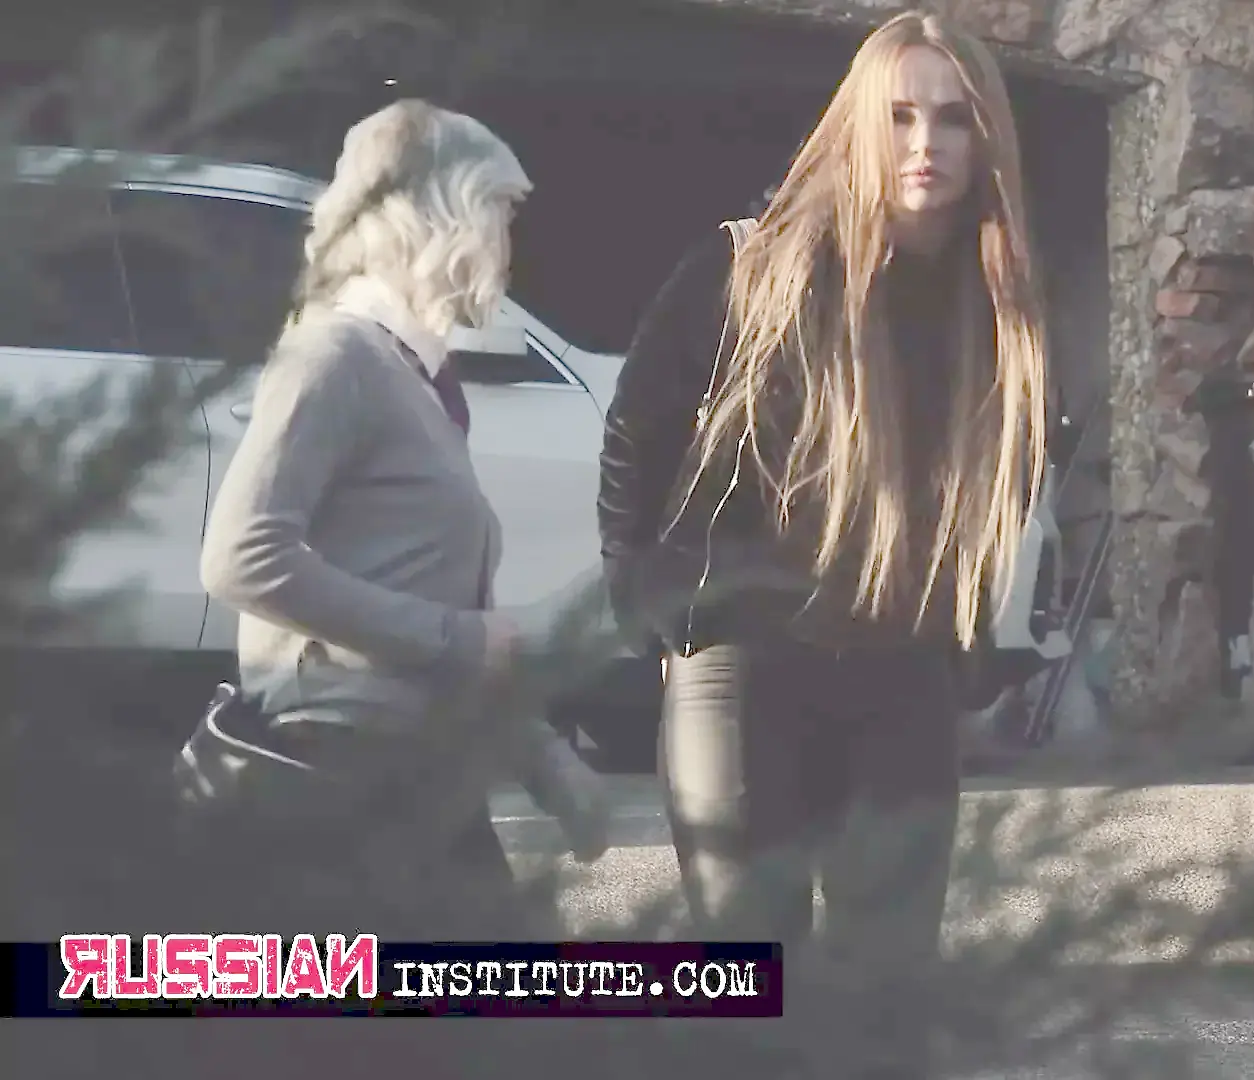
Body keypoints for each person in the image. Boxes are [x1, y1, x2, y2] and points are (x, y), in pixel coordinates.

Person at [598, 11, 1048, 1075]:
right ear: (858, 125)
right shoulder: (750, 266)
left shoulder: (996, 298)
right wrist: (646, 604)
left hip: (898, 668)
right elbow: (636, 430)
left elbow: (996, 481)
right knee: (750, 992)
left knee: (885, 1006)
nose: (925, 143)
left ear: (987, 138)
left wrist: (963, 646)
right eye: (900, 116)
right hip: (742, 664)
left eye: (953, 118)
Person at [198, 99, 607, 937]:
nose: (508, 244)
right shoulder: (333, 356)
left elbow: (447, 617)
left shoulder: (410, 377)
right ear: (442, 216)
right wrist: (457, 640)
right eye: (499, 213)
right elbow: (241, 557)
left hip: (415, 770)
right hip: (340, 775)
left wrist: (547, 762)